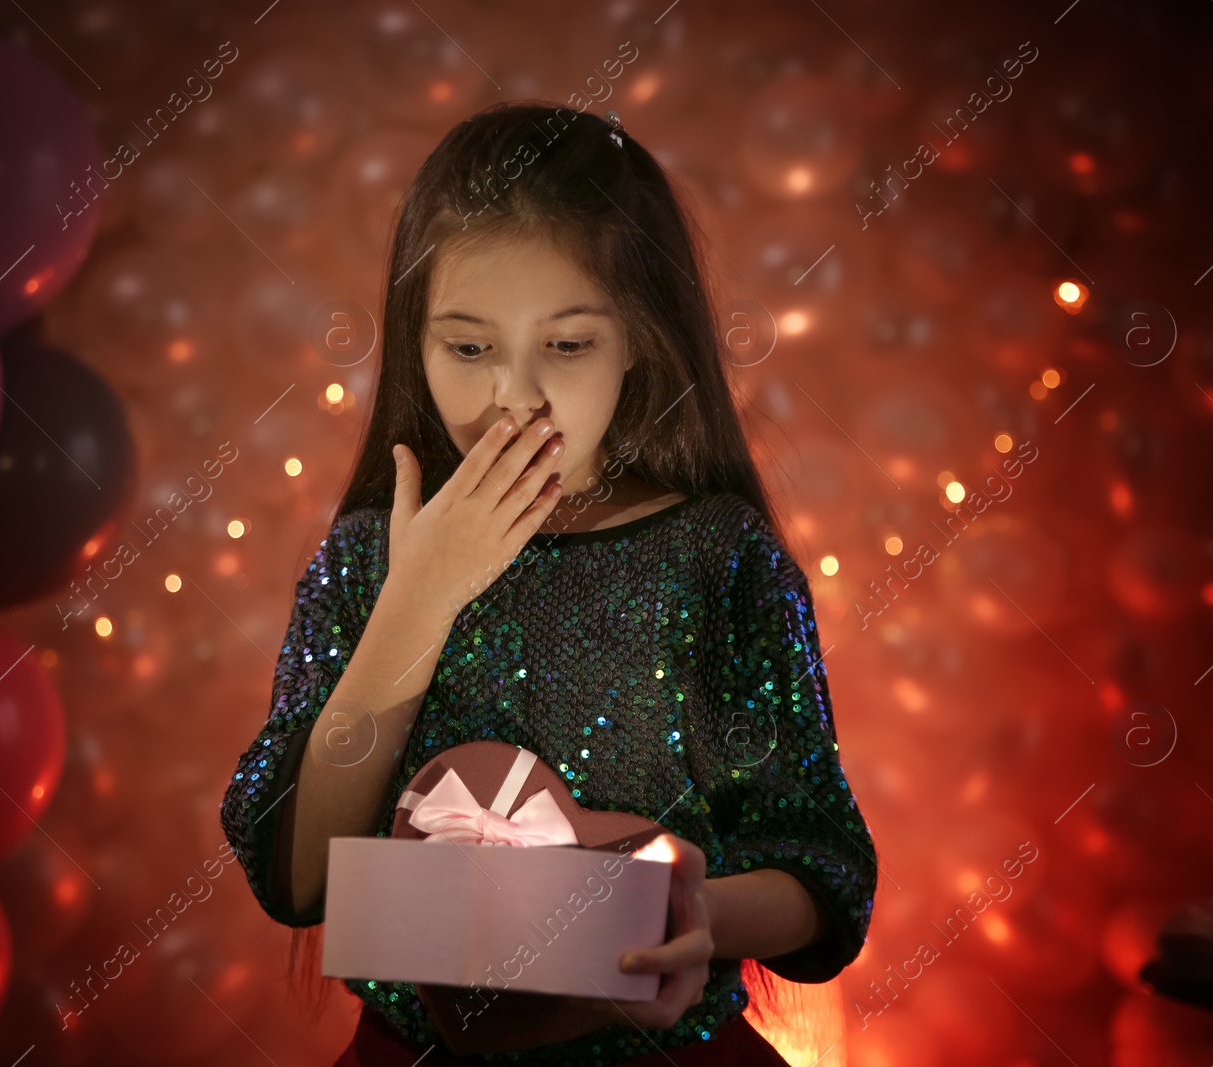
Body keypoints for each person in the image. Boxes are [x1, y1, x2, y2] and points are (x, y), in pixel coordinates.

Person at [220, 101, 879, 1067]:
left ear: (637, 344)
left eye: (566, 346)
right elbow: (296, 878)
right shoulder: (368, 562)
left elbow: (823, 867)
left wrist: (699, 915)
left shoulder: (717, 559)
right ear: (418, 342)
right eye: (469, 347)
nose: (513, 399)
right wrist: (419, 600)